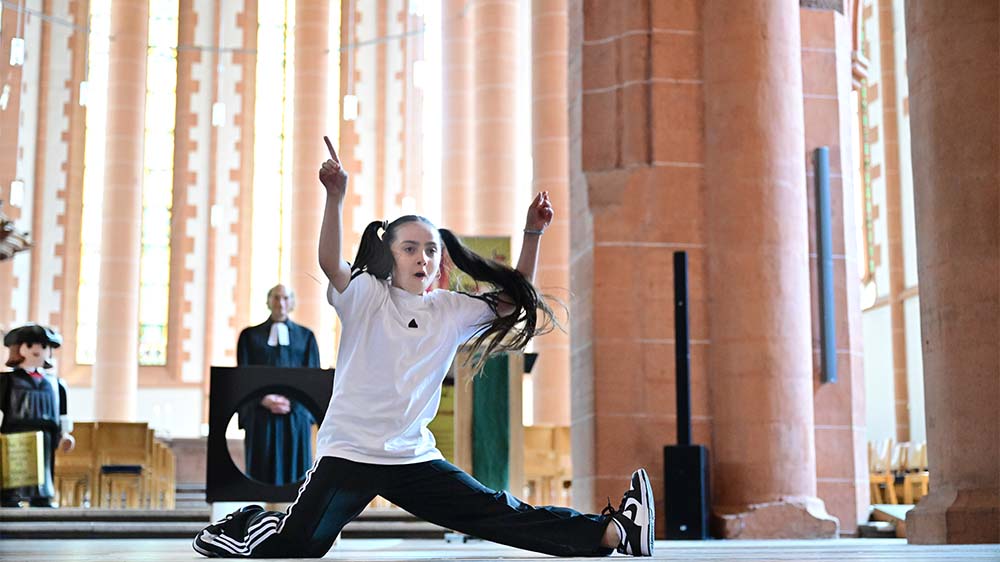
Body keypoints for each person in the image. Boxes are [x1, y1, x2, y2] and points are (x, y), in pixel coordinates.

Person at [192, 137, 655, 558]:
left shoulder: (449, 309)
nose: (422, 258)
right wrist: (334, 197)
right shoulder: (366, 296)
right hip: (350, 453)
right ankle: (247, 523)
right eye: (410, 248)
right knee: (300, 547)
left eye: (430, 250)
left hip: (412, 457)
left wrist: (532, 233)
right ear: (389, 256)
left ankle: (614, 532)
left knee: (493, 511)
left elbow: (513, 299)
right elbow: (330, 262)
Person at [236, 284, 321, 486]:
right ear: (268, 301)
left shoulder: (306, 336)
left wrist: (294, 402)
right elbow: (243, 376)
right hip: (261, 415)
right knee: (260, 474)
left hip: (295, 415)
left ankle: (295, 516)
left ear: (291, 303)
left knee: (296, 477)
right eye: (275, 298)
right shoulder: (249, 336)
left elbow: (313, 376)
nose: (280, 303)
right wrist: (263, 399)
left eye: (285, 298)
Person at [0, 324, 74, 508]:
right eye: (31, 344)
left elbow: (63, 413)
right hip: (15, 433)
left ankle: (42, 497)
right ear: (19, 349)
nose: (37, 350)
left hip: (45, 435)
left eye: (43, 346)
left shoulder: (56, 384)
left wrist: (65, 435)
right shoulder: (7, 380)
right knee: (14, 468)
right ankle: (10, 496)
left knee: (44, 468)